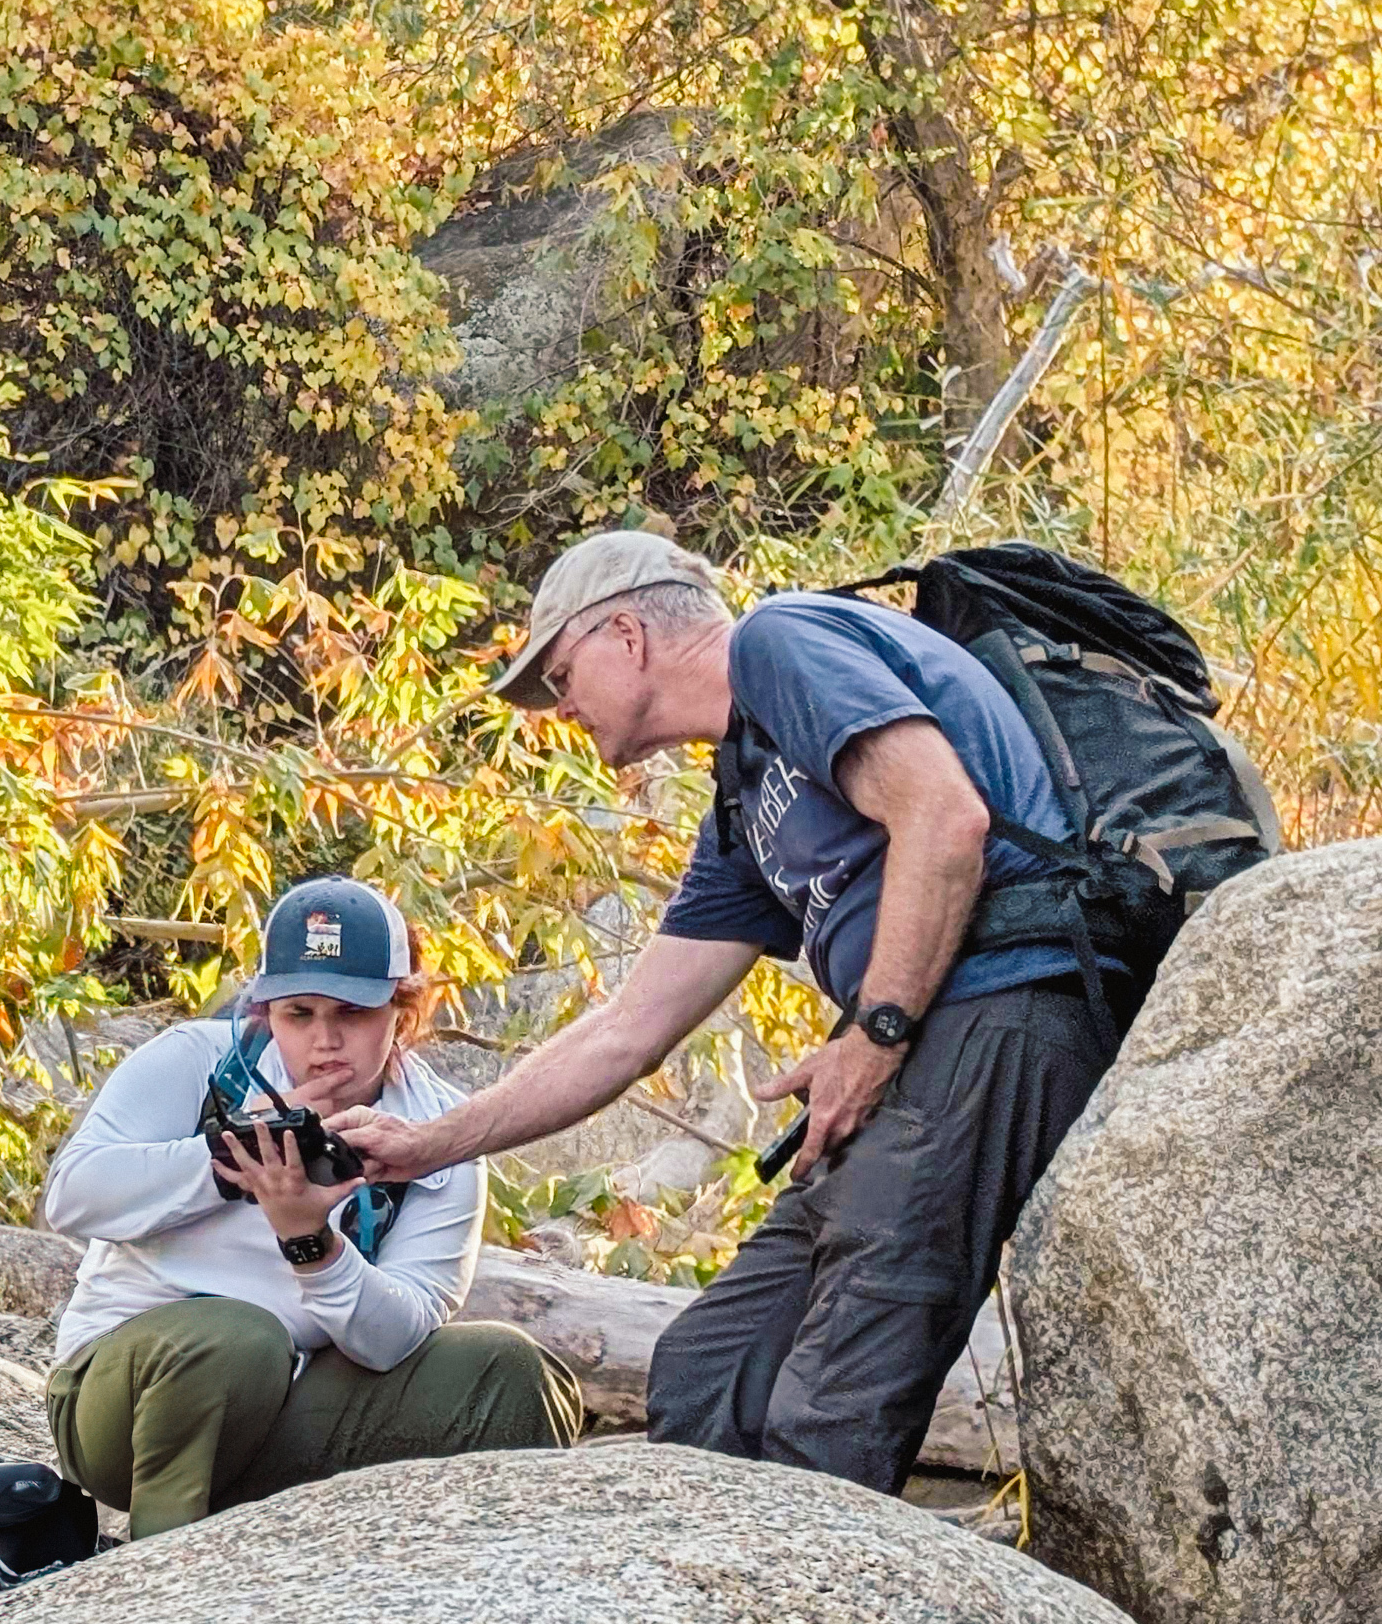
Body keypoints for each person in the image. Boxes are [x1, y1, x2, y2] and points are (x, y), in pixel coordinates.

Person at [329, 530, 1121, 1495]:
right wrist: (430, 1142)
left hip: (1008, 1000)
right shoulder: (743, 805)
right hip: (917, 1035)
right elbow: (628, 1028)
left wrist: (872, 1037)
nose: (560, 706)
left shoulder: (781, 643)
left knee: (830, 1399)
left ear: (629, 633)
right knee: (710, 1368)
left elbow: (944, 817)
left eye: (562, 673)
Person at [40, 875, 580, 1538]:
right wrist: (231, 1161)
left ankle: (487, 1589)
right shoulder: (200, 1062)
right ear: (267, 1010)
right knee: (237, 1340)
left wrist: (311, 1243)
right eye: (299, 1013)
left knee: (510, 1370)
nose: (324, 1042)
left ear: (400, 1013)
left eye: (351, 1014)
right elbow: (72, 1195)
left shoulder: (436, 1134)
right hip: (125, 1405)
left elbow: (398, 1337)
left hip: (293, 1404)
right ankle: (162, 1574)